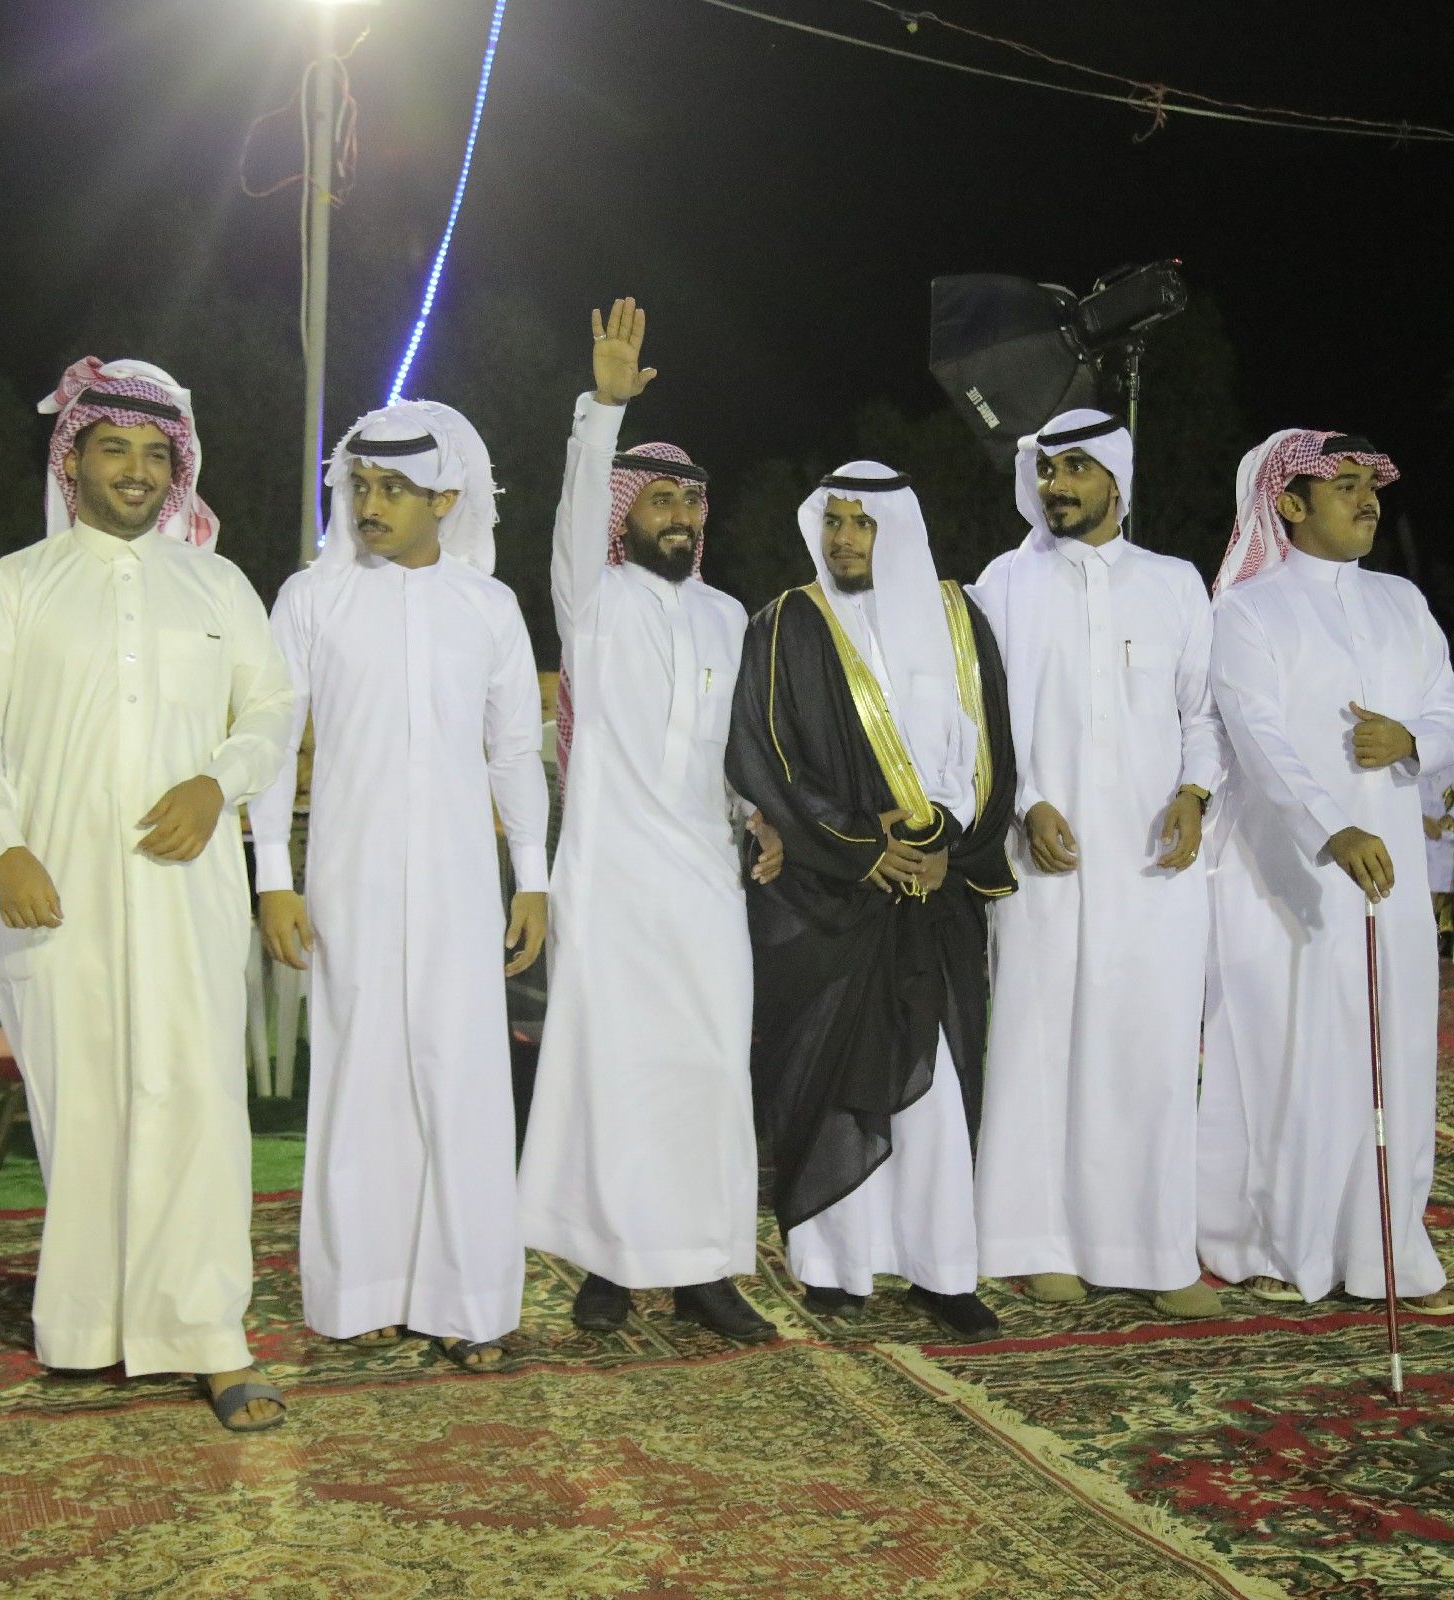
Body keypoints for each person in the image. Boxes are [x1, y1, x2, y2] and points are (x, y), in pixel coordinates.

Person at [0, 357, 296, 1432]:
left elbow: (270, 712)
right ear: (74, 459)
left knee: (197, 1101)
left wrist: (217, 782)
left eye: (153, 454)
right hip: (54, 894)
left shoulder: (219, 586)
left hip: (188, 890)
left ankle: (208, 1335)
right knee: (82, 1106)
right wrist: (5, 849)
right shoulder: (12, 585)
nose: (135, 471)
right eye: (113, 450)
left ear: (176, 467)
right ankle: (87, 1327)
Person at [253, 400, 550, 1372]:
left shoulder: (488, 606)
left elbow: (515, 752)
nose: (370, 504)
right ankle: (361, 1292)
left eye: (393, 489)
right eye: (361, 485)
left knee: (463, 1081)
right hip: (350, 879)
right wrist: (273, 878)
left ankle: (467, 1302)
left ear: (446, 500)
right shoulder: (312, 598)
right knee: (361, 1077)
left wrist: (533, 880)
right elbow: (269, 743)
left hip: (464, 884)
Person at [518, 299, 780, 1343]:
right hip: (611, 878)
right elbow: (575, 511)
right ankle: (609, 1266)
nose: (676, 514)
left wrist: (762, 816)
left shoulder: (728, 616)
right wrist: (603, 410)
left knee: (710, 1070)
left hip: (707, 881)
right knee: (613, 1068)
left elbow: (740, 748)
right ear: (627, 511)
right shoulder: (594, 601)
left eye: (689, 501)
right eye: (658, 497)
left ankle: (708, 1268)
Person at [724, 462, 1017, 1339]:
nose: (844, 538)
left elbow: (993, 749)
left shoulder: (960, 620)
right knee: (831, 1073)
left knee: (940, 1087)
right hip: (832, 895)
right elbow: (764, 756)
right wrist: (860, 848)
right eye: (834, 520)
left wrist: (950, 848)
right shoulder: (785, 623)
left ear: (899, 530)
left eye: (863, 522)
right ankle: (835, 1266)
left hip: (937, 890)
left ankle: (942, 1270)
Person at [1199, 428, 1454, 1315]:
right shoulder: (1247, 612)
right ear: (1288, 503)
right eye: (1344, 483)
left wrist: (1414, 739)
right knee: (1290, 1054)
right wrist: (1333, 829)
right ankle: (1273, 1244)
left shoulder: (1401, 600)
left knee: (1396, 1048)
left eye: (1371, 484)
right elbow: (1258, 741)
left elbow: (1452, 703)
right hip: (1287, 876)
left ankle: (1387, 1249)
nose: (1367, 499)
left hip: (1392, 867)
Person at [969, 409, 1226, 1320]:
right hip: (1044, 851)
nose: (1058, 485)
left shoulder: (1175, 582)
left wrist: (1195, 794)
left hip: (1154, 859)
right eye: (1048, 469)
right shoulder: (1003, 584)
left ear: (1116, 478)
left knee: (1150, 1044)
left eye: (1078, 468)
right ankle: (1038, 1240)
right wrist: (1030, 800)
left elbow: (1203, 712)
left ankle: (1152, 1248)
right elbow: (983, 716)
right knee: (1042, 1040)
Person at [1420, 749, 1454, 931]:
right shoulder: (1405, 756)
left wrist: (1447, 820)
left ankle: (1442, 923)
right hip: (1407, 823)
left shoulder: (1449, 758)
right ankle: (1423, 923)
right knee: (1429, 856)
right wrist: (1421, 821)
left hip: (1436, 828)